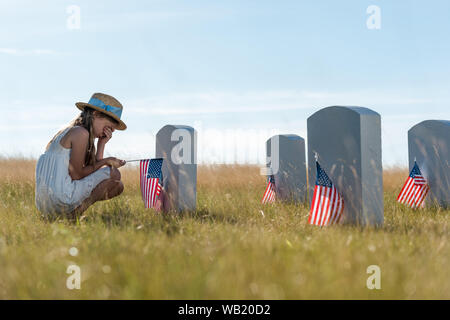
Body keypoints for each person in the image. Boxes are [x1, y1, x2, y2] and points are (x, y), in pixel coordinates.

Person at [35, 93, 127, 220]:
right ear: (95, 114)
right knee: (114, 174)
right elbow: (77, 175)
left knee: (118, 186)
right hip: (62, 196)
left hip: (44, 203)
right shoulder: (81, 133)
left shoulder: (69, 131)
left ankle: (64, 215)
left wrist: (101, 144)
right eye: (109, 126)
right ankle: (74, 214)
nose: (111, 131)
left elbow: (90, 171)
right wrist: (107, 161)